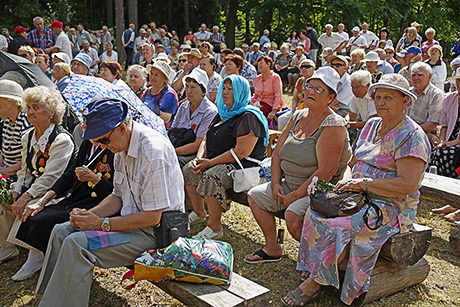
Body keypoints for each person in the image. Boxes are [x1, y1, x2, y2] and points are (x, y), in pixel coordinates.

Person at [282, 73, 430, 307]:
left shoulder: (412, 135)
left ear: (405, 101)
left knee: (336, 225)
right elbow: (352, 163)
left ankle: (315, 283)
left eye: (388, 97)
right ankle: (325, 270)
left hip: (390, 205)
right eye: (378, 96)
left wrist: (362, 184)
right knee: (315, 212)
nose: (380, 102)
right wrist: (346, 182)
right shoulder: (371, 125)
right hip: (355, 194)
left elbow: (407, 184)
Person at [35, 97, 184, 306]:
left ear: (121, 128)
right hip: (133, 225)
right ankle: (51, 298)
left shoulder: (153, 152)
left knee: (76, 244)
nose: (102, 147)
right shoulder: (121, 145)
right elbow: (118, 196)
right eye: (96, 142)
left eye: (103, 140)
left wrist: (101, 223)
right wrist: (91, 215)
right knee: (62, 230)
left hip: (157, 235)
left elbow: (152, 217)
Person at [246, 66, 351, 264]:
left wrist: (294, 196)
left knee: (293, 215)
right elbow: (277, 154)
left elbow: (326, 172)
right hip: (289, 183)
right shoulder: (297, 116)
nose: (310, 92)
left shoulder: (333, 124)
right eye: (310, 86)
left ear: (331, 97)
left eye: (319, 90)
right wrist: (276, 183)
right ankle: (272, 247)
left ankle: (319, 261)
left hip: (320, 190)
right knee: (255, 196)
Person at [1, 86, 76, 281]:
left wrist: (26, 197)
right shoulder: (28, 136)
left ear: (51, 112)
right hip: (36, 185)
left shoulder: (61, 140)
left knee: (33, 209)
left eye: (36, 107)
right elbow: (25, 170)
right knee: (5, 197)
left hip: (57, 191)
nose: (30, 112)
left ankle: (36, 255)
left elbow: (51, 178)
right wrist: (17, 191)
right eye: (29, 107)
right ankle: (8, 246)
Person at [184, 74, 268, 237]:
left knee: (212, 176)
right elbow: (207, 137)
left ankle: (215, 228)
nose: (225, 92)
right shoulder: (223, 112)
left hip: (242, 166)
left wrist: (210, 163)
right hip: (216, 160)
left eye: (231, 89)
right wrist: (200, 157)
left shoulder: (249, 116)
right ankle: (199, 212)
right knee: (190, 169)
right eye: (224, 88)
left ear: (241, 92)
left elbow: (241, 152)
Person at [171, 68, 217, 167]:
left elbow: (197, 145)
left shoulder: (210, 111)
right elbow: (173, 131)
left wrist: (171, 152)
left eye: (193, 87)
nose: (189, 91)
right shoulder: (184, 106)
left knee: (172, 161)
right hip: (178, 146)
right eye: (187, 87)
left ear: (203, 91)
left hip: (194, 154)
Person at [428, 70, 460, 180]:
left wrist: (449, 144)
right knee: (434, 151)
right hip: (449, 138)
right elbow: (444, 124)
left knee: (444, 154)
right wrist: (442, 141)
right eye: (458, 80)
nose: (459, 84)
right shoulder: (450, 98)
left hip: (457, 142)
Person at [0, 80, 32, 183]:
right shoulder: (8, 121)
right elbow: (4, 153)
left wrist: (5, 171)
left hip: (19, 176)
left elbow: (28, 159)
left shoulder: (26, 122)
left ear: (13, 101)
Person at [407, 62, 444, 138]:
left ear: (429, 77)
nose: (416, 78)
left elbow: (432, 123)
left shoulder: (436, 94)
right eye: (413, 75)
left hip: (424, 135)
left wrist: (410, 134)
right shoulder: (408, 92)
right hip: (405, 132)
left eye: (420, 75)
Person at [277, 59, 315, 131]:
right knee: (282, 119)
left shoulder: (317, 81)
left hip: (311, 110)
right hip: (298, 109)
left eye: (307, 66)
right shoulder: (300, 80)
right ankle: (282, 140)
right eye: (302, 67)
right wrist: (294, 108)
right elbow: (294, 98)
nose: (304, 68)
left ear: (313, 68)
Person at [143, 61, 178, 129]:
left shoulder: (169, 94)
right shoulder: (148, 90)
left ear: (165, 79)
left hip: (161, 132)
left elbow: (164, 119)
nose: (152, 77)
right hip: (146, 128)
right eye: (151, 73)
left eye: (156, 75)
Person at [253, 55, 283, 120]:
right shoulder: (257, 78)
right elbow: (255, 94)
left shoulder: (275, 77)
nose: (259, 66)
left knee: (256, 114)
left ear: (268, 64)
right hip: (258, 103)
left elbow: (278, 95)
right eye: (258, 64)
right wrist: (251, 101)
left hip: (269, 104)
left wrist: (274, 111)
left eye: (261, 63)